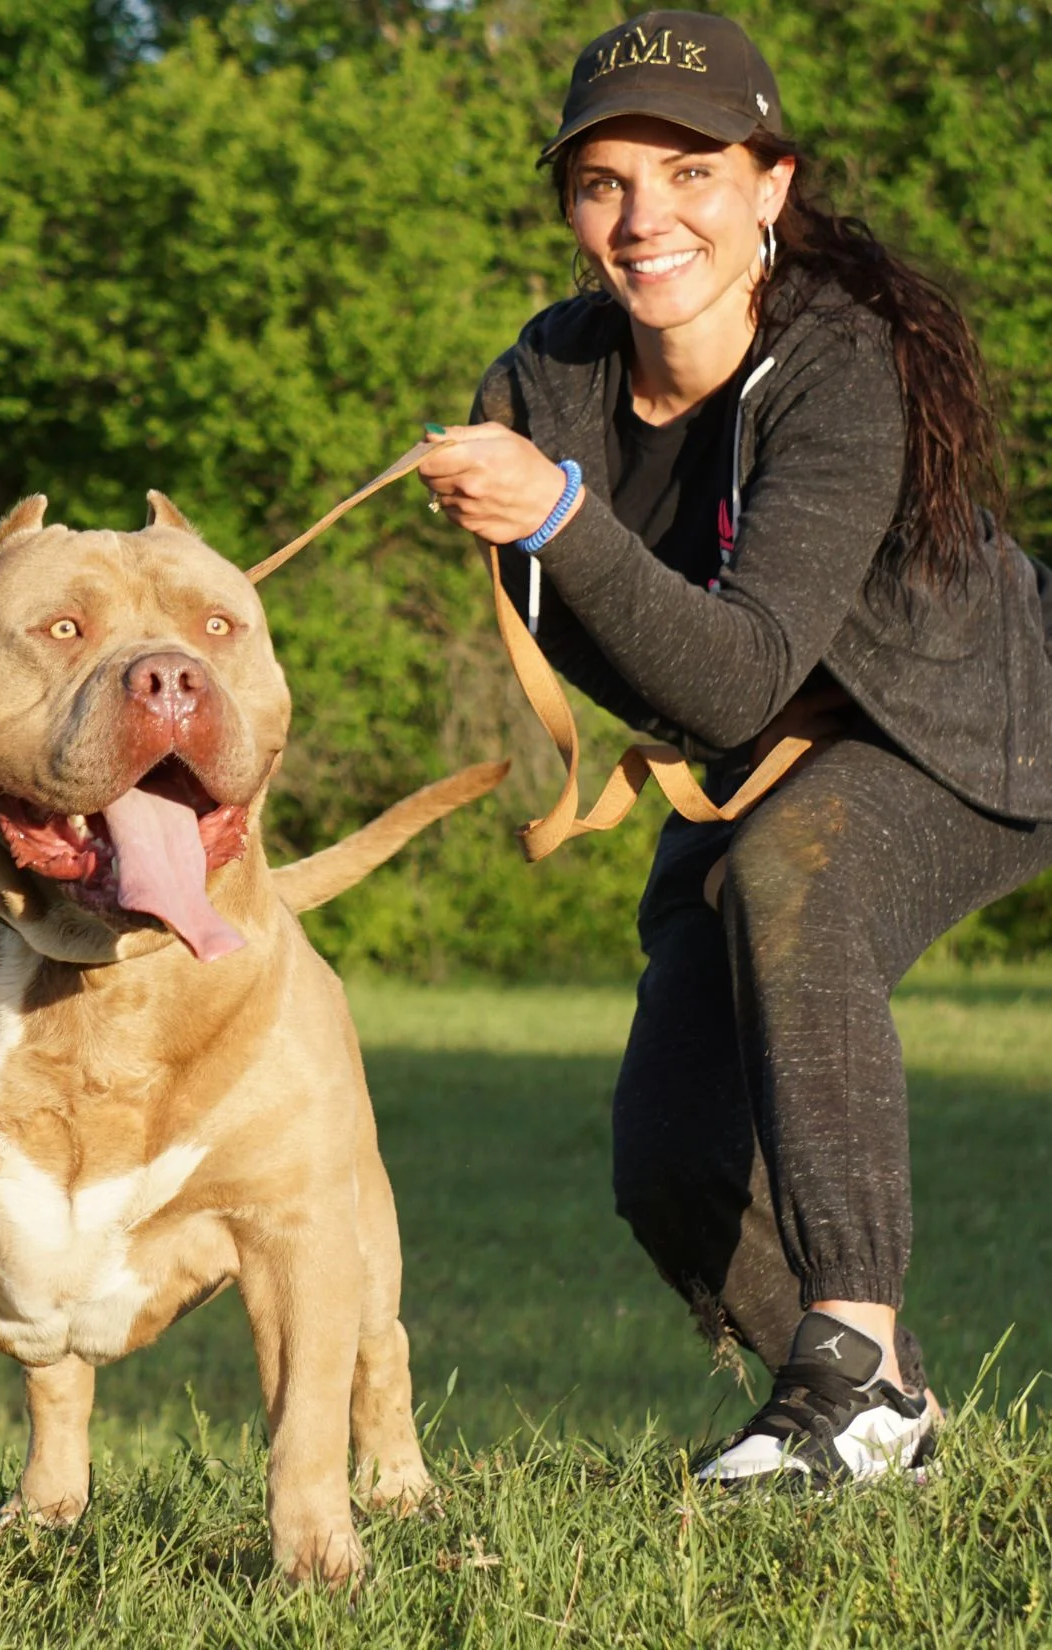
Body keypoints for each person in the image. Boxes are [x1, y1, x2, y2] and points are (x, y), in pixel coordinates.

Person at [420, 8, 1052, 1487]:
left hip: (973, 725)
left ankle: (849, 1354)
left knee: (793, 870)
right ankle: (880, 1415)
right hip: (768, 752)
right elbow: (634, 667)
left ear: (769, 185)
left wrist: (560, 522)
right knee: (670, 1156)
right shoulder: (546, 381)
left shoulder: (840, 360)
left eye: (689, 171)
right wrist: (536, 521)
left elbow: (739, 669)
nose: (645, 218)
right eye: (603, 183)